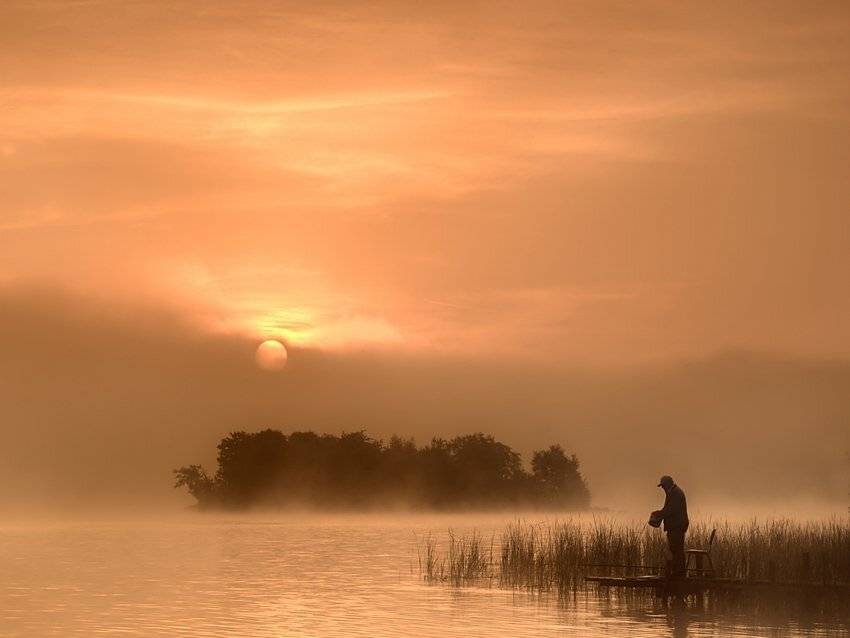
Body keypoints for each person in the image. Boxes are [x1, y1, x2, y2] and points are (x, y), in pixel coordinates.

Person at [651, 475, 689, 578]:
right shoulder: (673, 492)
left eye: (663, 486)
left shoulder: (675, 493)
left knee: (676, 550)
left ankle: (679, 574)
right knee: (675, 549)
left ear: (667, 484)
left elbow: (671, 510)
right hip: (676, 526)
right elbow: (668, 509)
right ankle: (678, 573)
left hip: (677, 526)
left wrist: (659, 514)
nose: (662, 488)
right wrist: (660, 512)